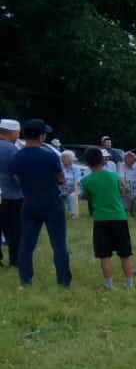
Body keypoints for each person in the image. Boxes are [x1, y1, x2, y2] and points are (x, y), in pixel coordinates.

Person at [10, 119, 71, 287]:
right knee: (59, 244)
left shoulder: (17, 157)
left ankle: (26, 280)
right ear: (41, 137)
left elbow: (16, 179)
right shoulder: (49, 155)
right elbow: (61, 179)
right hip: (52, 203)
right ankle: (64, 281)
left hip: (29, 203)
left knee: (27, 244)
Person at [79, 147, 136, 290]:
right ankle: (129, 283)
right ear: (103, 160)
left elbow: (87, 196)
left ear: (87, 163)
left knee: (104, 255)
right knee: (125, 253)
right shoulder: (114, 176)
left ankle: (109, 285)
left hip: (100, 219)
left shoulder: (86, 180)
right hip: (118, 217)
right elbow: (125, 191)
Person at [0, 118, 22, 267]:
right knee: (14, 230)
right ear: (12, 133)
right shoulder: (12, 149)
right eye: (18, 133)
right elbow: (17, 174)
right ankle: (15, 261)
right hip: (11, 196)